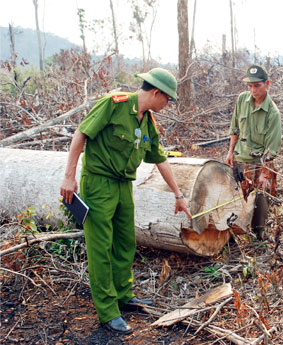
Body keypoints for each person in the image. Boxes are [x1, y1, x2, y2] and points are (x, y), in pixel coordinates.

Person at [60, 68, 191, 334]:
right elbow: (80, 135)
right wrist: (69, 177)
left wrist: (179, 195)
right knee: (100, 246)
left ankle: (123, 295)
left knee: (124, 242)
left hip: (123, 185)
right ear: (156, 93)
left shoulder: (147, 121)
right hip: (98, 183)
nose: (168, 105)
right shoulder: (114, 104)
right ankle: (108, 311)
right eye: (167, 99)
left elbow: (160, 158)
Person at [225, 65, 282, 238]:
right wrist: (230, 152)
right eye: (250, 86)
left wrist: (264, 173)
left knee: (261, 198)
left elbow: (272, 148)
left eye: (257, 85)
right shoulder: (242, 100)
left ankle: (259, 235)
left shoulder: (272, 113)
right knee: (236, 197)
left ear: (267, 84)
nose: (253, 90)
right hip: (241, 159)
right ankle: (234, 233)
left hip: (261, 162)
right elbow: (235, 128)